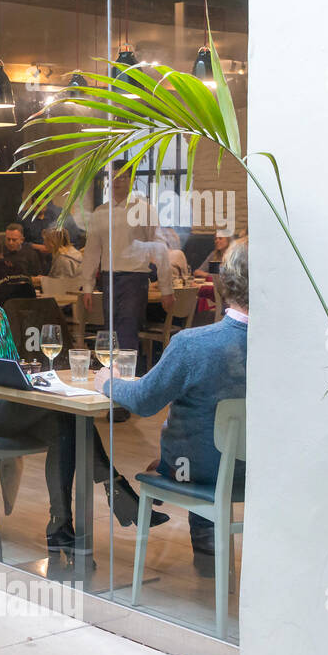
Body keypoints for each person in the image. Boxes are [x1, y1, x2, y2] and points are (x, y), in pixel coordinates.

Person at [0, 236, 164, 555]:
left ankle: (60, 526)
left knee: (66, 424)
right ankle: (117, 492)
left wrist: (22, 377)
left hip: (7, 402)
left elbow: (11, 362)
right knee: (65, 413)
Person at [95, 239, 247, 576]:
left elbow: (144, 402)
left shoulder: (193, 344)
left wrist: (107, 381)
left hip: (198, 472)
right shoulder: (286, 349)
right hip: (258, 474)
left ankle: (206, 546)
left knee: (188, 452)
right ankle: (209, 555)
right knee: (203, 439)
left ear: (224, 283)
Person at [79, 170, 175, 380]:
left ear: (132, 181)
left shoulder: (144, 210)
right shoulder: (100, 212)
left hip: (135, 278)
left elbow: (159, 247)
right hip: (108, 278)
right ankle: (112, 385)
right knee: (110, 334)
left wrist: (167, 288)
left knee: (127, 332)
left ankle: (124, 391)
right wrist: (87, 286)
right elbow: (92, 251)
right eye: (113, 177)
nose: (117, 182)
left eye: (123, 177)